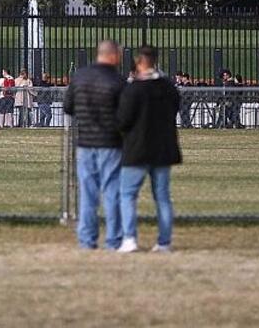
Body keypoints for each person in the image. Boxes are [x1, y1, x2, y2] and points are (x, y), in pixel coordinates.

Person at [117, 46, 182, 253]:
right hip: (162, 147)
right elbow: (175, 109)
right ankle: (164, 242)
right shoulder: (168, 87)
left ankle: (129, 239)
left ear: (139, 61)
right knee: (162, 196)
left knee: (127, 194)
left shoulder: (134, 89)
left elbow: (123, 120)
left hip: (137, 147)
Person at [63, 40, 124, 251]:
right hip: (111, 142)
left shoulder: (80, 76)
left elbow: (68, 106)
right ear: (114, 55)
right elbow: (125, 114)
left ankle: (87, 240)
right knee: (112, 191)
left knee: (87, 194)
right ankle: (114, 240)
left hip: (86, 141)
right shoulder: (117, 80)